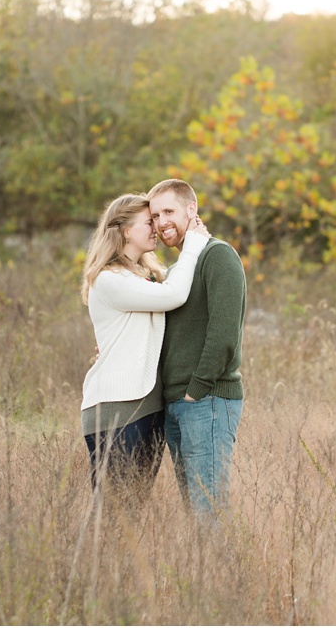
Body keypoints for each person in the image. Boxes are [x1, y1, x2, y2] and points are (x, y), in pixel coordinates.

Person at [80, 193, 210, 505]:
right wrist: (192, 245)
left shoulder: (144, 274)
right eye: (149, 222)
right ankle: (89, 557)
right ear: (125, 230)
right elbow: (174, 294)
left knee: (131, 508)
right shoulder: (110, 278)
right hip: (118, 409)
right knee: (113, 514)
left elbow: (178, 291)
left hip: (147, 405)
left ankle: (116, 557)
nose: (156, 227)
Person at [147, 179, 246, 516]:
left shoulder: (217, 256)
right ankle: (203, 572)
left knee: (209, 513)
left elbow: (224, 333)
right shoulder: (178, 271)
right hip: (177, 403)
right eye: (155, 215)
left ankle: (223, 571)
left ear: (192, 210)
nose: (161, 223)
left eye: (169, 211)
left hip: (207, 400)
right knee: (195, 512)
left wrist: (197, 389)